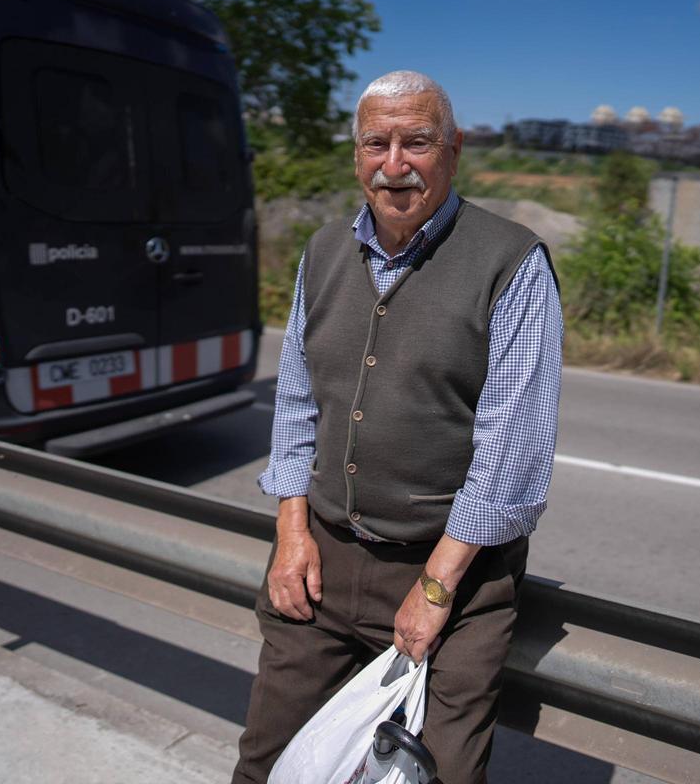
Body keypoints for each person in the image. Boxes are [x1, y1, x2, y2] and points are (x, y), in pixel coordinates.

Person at [232, 70, 562, 784]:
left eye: (417, 142)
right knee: (267, 767)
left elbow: (512, 454)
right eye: (376, 143)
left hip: (453, 577)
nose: (395, 164)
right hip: (320, 562)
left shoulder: (512, 262)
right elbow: (296, 407)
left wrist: (437, 589)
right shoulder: (322, 253)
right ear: (356, 156)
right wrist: (291, 536)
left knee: (435, 776)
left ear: (454, 149)